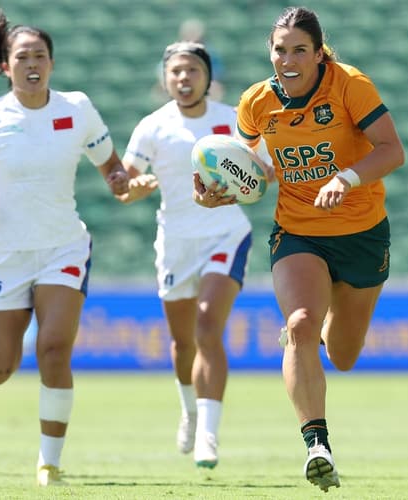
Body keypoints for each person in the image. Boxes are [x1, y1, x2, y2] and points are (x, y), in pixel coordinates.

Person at [193, 6, 405, 492]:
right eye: (279, 49)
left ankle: (321, 333)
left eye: (299, 50)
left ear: (317, 52)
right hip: (299, 231)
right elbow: (254, 170)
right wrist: (216, 190)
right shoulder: (256, 102)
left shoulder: (350, 84)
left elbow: (392, 149)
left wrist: (345, 178)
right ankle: (317, 446)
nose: (287, 59)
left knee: (346, 354)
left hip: (362, 233)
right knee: (300, 326)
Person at [0, 6, 129, 487]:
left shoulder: (77, 108)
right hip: (5, 253)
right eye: (23, 56)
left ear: (51, 63)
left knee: (52, 348)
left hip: (62, 247)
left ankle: (49, 461)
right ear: (7, 66)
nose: (32, 63)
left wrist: (125, 180)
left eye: (40, 55)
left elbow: (111, 168)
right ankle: (12, 316)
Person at [119, 41, 256, 470]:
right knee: (182, 344)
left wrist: (247, 182)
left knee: (206, 326)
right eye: (176, 71)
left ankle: (208, 436)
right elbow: (124, 182)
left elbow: (260, 175)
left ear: (208, 77)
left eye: (193, 70)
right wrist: (133, 188)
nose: (184, 78)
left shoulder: (232, 120)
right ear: (166, 78)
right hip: (176, 242)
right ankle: (191, 412)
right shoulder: (153, 127)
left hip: (226, 235)